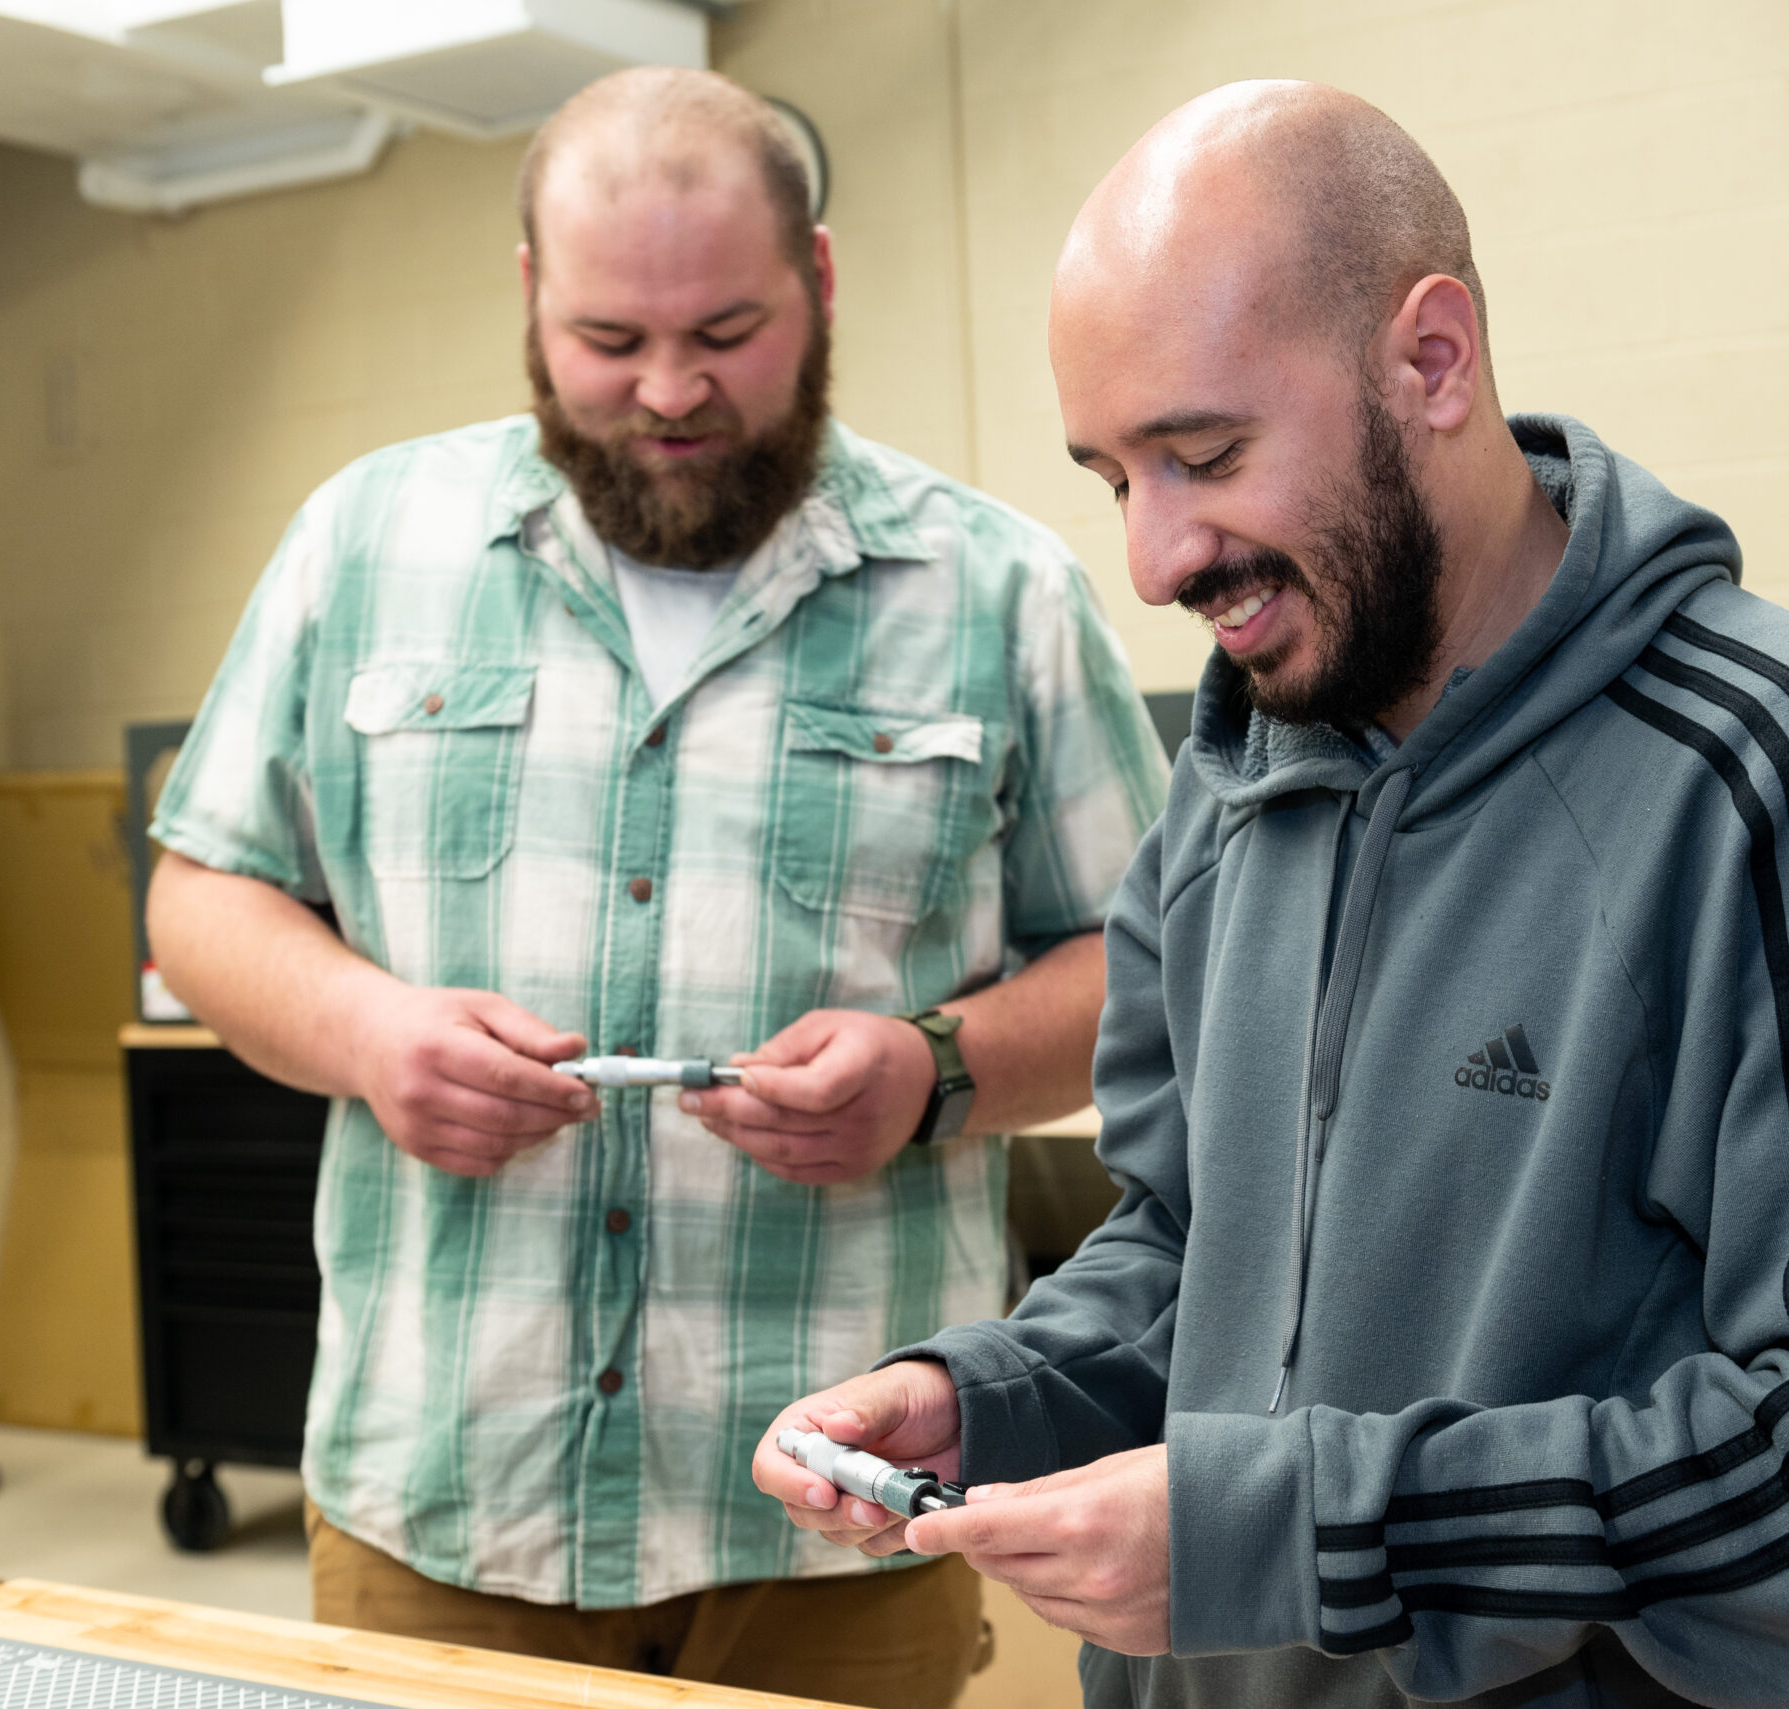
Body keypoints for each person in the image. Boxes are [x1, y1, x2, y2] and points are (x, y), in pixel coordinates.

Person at [755, 81, 1789, 1709]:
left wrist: (1308, 1530)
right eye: (1112, 476)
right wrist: (990, 1388)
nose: (1153, 559)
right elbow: (1194, 1257)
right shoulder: (1229, 793)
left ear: (1433, 361)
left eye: (1204, 454)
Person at [147, 66, 1168, 1709]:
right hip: (441, 1514)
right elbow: (201, 896)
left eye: (729, 330)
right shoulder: (361, 546)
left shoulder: (1002, 594)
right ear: (533, 299)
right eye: (611, 342)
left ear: (820, 285)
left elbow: (1158, 971)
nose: (672, 390)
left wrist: (936, 1071)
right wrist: (367, 1031)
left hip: (842, 1522)